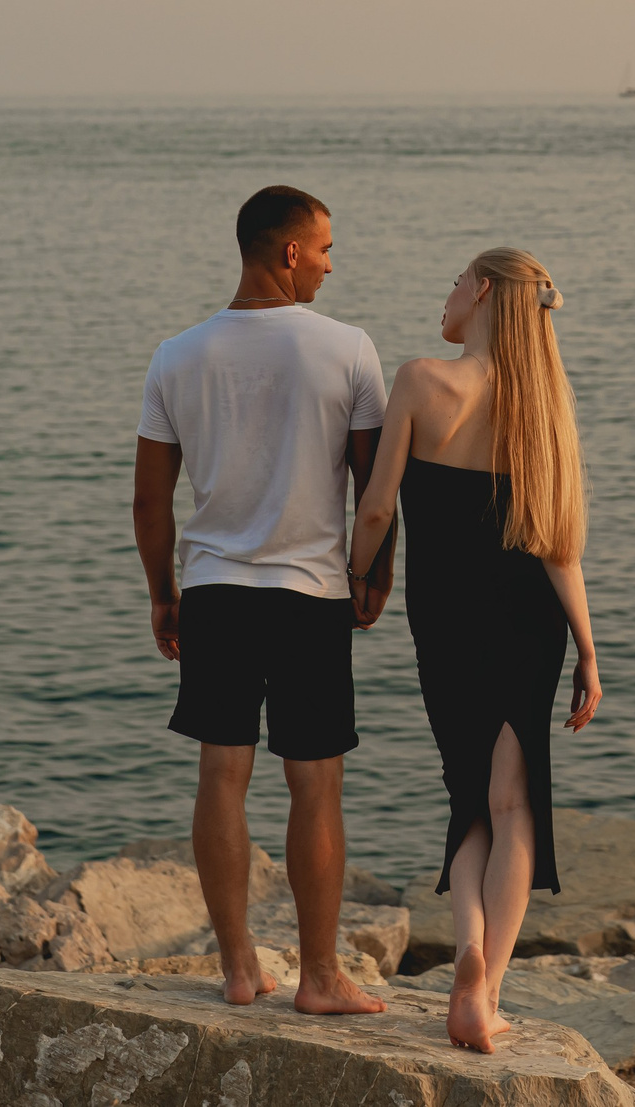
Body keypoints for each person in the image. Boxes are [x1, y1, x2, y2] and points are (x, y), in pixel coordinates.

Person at [132, 184, 391, 1016]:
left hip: (213, 589)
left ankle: (239, 966)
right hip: (310, 593)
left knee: (221, 772)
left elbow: (148, 501)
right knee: (316, 784)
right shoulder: (348, 349)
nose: (327, 262)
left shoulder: (177, 353)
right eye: (322, 247)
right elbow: (376, 484)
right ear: (287, 252)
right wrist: (373, 573)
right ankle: (320, 976)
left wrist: (162, 594)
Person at [350, 246, 603, 1052]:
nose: (447, 294)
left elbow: (378, 508)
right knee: (514, 803)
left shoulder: (422, 379)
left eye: (454, 281)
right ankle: (487, 990)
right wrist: (590, 655)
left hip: (443, 616)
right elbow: (561, 549)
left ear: (483, 289)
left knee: (468, 798)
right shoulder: (543, 407)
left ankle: (463, 951)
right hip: (529, 620)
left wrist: (361, 580)